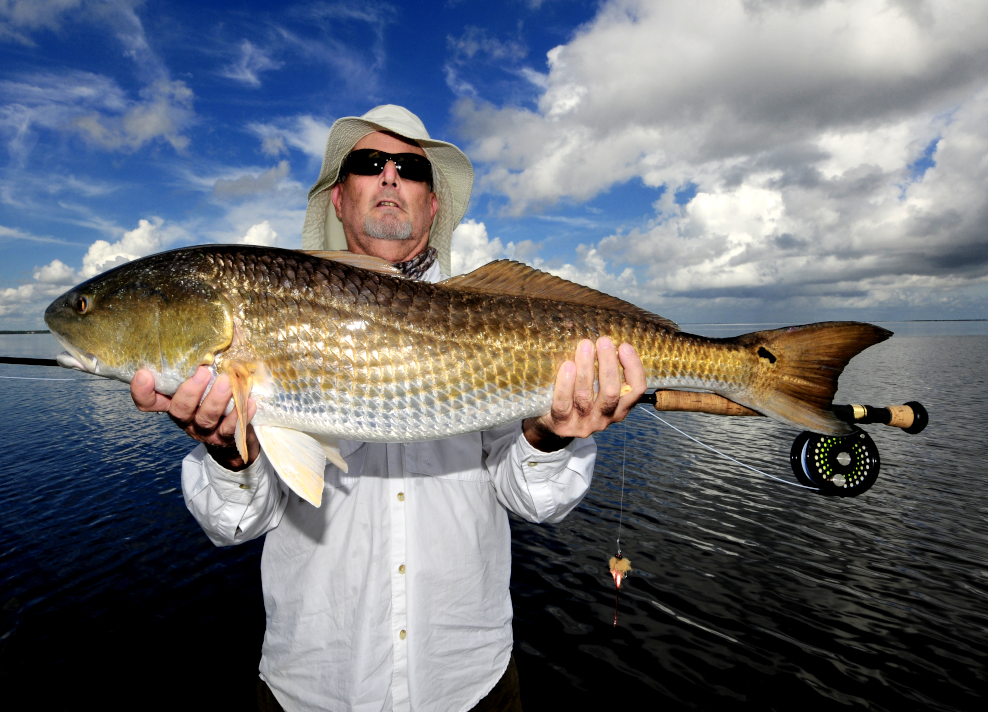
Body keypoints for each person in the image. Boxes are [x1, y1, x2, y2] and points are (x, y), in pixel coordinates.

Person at [130, 105, 646, 712]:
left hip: (470, 687)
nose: (390, 176)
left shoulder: (503, 322)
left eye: (411, 168)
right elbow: (233, 524)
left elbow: (536, 501)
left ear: (433, 205)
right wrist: (227, 448)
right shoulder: (261, 322)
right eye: (368, 163)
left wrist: (550, 437)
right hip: (314, 689)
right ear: (338, 201)